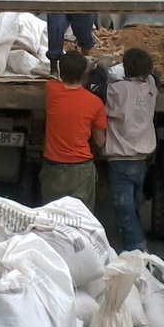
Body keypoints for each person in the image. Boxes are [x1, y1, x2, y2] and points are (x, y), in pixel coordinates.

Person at [103, 48, 159, 252]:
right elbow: (155, 76)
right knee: (134, 204)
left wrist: (100, 68)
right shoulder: (151, 87)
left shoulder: (117, 91)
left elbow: (96, 90)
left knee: (123, 208)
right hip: (141, 160)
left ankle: (136, 247)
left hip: (120, 159)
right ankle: (132, 244)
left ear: (125, 68)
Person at [40, 50, 107, 212]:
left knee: (52, 217)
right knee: (81, 220)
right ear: (84, 73)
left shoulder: (51, 91)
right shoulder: (95, 103)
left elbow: (54, 80)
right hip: (81, 170)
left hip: (53, 168)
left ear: (61, 72)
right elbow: (100, 141)